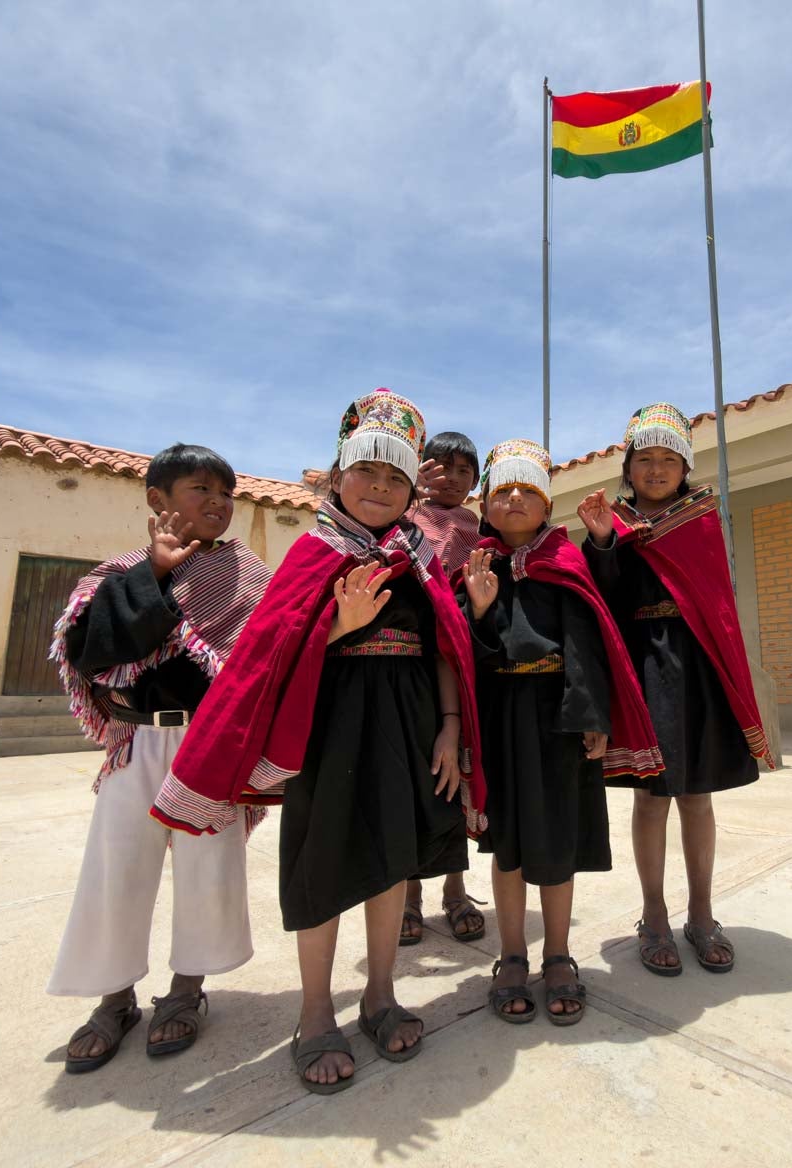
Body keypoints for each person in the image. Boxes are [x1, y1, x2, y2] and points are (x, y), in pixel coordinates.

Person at [151, 389, 486, 1094]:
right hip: (329, 727)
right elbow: (271, 651)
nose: (381, 487)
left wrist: (452, 727)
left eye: (396, 476)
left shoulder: (420, 557)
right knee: (324, 861)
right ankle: (314, 1015)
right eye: (367, 471)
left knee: (392, 860)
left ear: (411, 490)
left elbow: (443, 648)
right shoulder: (314, 550)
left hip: (409, 722)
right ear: (337, 477)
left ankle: (380, 996)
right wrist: (339, 625)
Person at [48, 444, 271, 1073]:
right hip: (136, 742)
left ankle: (186, 991)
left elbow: (266, 662)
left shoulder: (249, 578)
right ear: (157, 499)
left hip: (210, 743)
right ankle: (114, 999)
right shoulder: (123, 573)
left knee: (208, 864)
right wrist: (155, 574)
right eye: (201, 489)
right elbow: (94, 654)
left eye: (226, 494)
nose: (218, 504)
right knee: (117, 867)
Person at [458, 440, 661, 1025]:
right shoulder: (475, 567)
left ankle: (557, 954)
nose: (515, 499)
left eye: (528, 490)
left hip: (559, 720)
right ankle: (512, 955)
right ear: (485, 506)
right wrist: (478, 610)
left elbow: (587, 640)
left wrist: (592, 717)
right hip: (502, 719)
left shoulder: (566, 558)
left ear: (547, 506)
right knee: (508, 844)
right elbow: (464, 655)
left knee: (558, 842)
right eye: (502, 490)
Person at [577, 403, 774, 977]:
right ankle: (655, 915)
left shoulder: (701, 515)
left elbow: (715, 601)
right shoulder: (612, 523)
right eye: (645, 459)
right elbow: (601, 599)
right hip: (642, 667)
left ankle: (703, 915)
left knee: (697, 796)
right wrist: (601, 543)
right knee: (651, 797)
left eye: (669, 458)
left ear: (686, 467)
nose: (657, 469)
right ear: (628, 468)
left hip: (698, 667)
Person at [402, 430, 486, 946]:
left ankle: (456, 891)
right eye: (441, 467)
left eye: (463, 471)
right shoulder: (403, 517)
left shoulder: (478, 527)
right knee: (414, 778)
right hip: (410, 667)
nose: (452, 479)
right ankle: (408, 895)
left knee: (459, 778)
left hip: (462, 664)